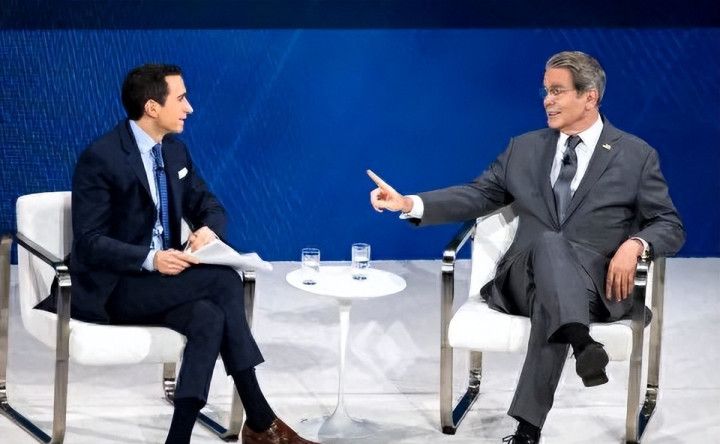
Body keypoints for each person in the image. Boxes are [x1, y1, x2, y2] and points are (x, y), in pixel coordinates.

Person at [368, 51, 685, 444]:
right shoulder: (524, 148)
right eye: (545, 90)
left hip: (594, 287)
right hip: (522, 278)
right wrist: (409, 203)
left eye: (557, 91)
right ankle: (581, 343)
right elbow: (478, 195)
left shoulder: (635, 156)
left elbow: (670, 224)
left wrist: (637, 243)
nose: (546, 100)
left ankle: (528, 430)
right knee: (549, 243)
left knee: (554, 301)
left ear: (590, 96)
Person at [68, 63, 319, 444]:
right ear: (152, 107)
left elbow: (210, 206)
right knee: (223, 281)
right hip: (114, 287)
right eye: (181, 98)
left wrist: (207, 230)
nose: (190, 108)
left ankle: (180, 438)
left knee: (208, 317)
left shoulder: (174, 151)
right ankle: (261, 421)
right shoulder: (102, 157)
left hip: (162, 284)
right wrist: (151, 258)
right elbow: (89, 240)